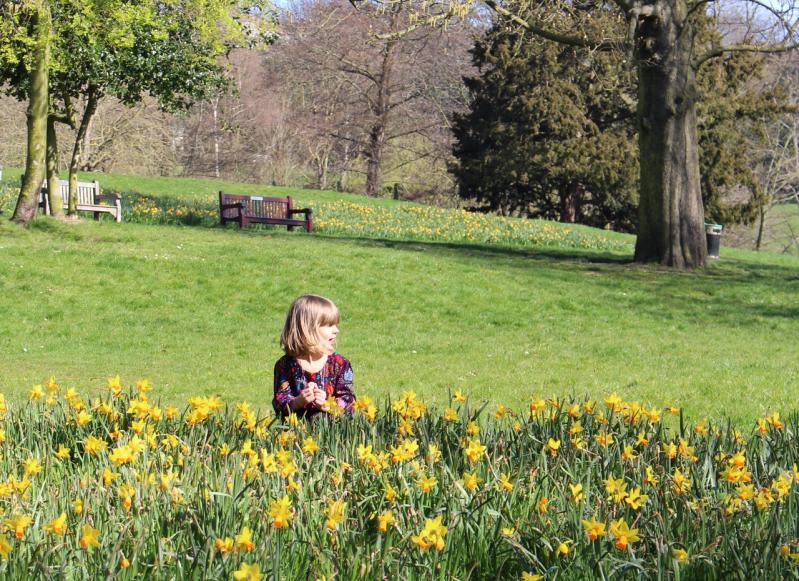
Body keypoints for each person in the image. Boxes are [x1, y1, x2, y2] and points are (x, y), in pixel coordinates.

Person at [273, 294, 356, 419]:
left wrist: (327, 405)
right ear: (308, 329)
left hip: (333, 435)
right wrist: (298, 402)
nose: (336, 330)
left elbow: (349, 402)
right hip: (297, 433)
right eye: (329, 325)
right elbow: (279, 402)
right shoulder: (285, 365)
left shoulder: (339, 364)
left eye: (335, 325)